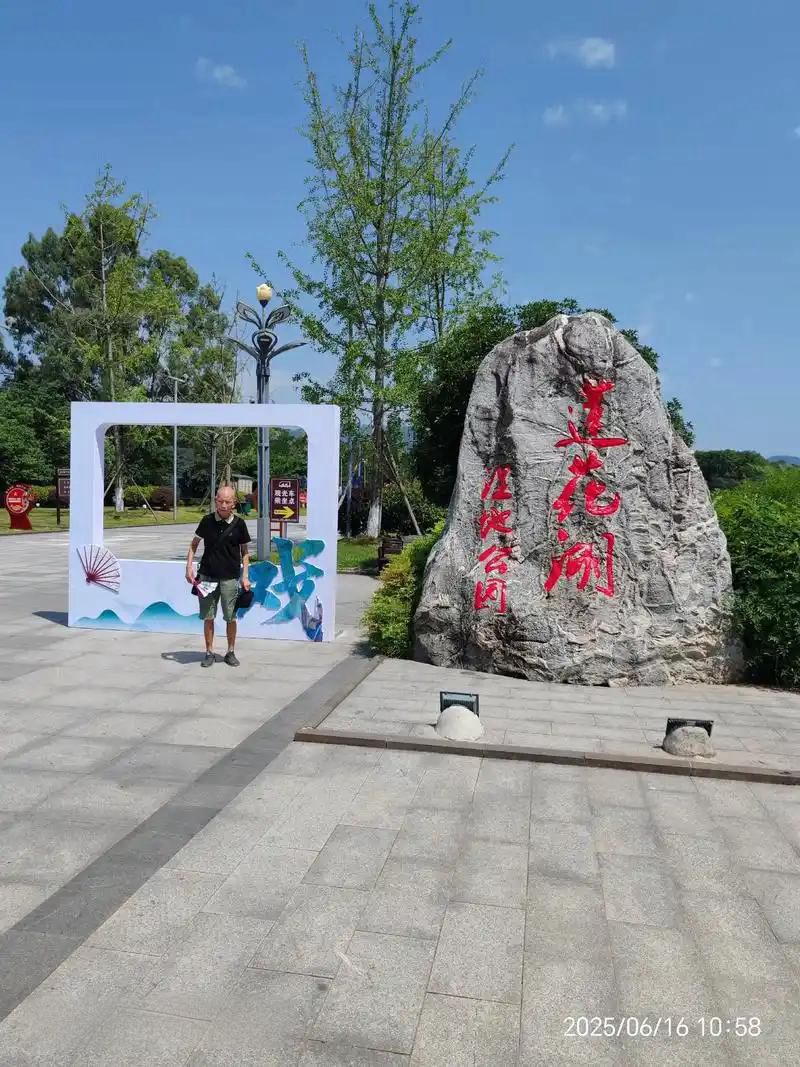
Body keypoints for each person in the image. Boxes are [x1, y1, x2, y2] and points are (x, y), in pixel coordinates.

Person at [185, 486, 251, 668]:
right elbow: (193, 545)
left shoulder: (239, 524)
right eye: (220, 501)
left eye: (227, 502)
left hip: (230, 578)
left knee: (231, 617)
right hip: (207, 577)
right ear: (215, 500)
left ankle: (230, 652)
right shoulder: (206, 521)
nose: (223, 505)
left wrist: (245, 576)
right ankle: (209, 652)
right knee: (208, 616)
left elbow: (245, 552)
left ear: (234, 503)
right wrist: (188, 567)